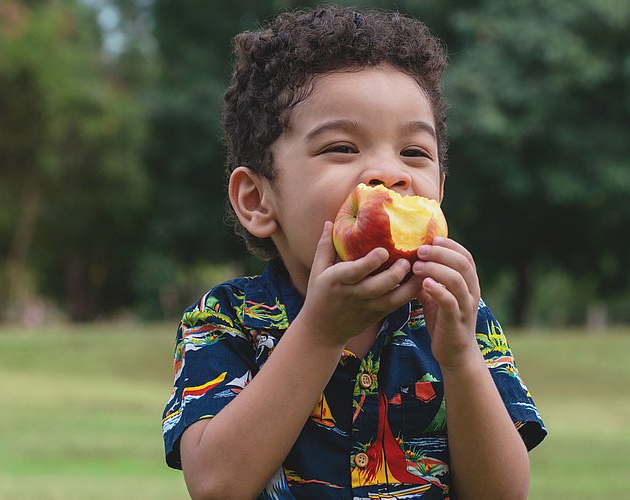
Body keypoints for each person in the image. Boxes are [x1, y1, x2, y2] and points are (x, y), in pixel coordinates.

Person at [161, 4, 546, 499]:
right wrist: (322, 331)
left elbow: (502, 494)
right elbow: (216, 486)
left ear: (439, 194)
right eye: (342, 148)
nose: (389, 173)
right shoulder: (226, 321)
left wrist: (461, 358)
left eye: (414, 153)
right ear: (258, 200)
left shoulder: (461, 321)